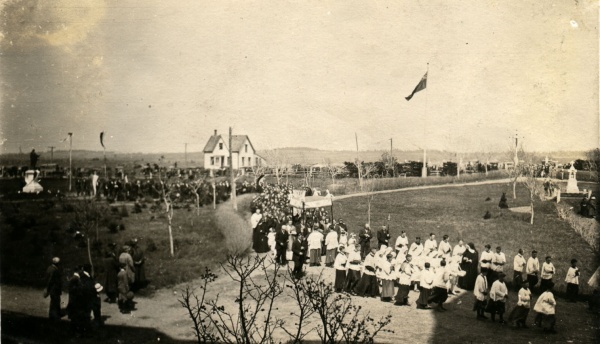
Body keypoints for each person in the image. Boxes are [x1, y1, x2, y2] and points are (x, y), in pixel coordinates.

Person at [44, 257, 62, 321]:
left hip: (52, 289)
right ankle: (54, 316)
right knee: (55, 303)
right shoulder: (55, 270)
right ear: (57, 263)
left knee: (53, 303)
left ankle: (52, 315)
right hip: (55, 289)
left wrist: (47, 289)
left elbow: (47, 279)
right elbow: (51, 280)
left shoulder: (49, 268)